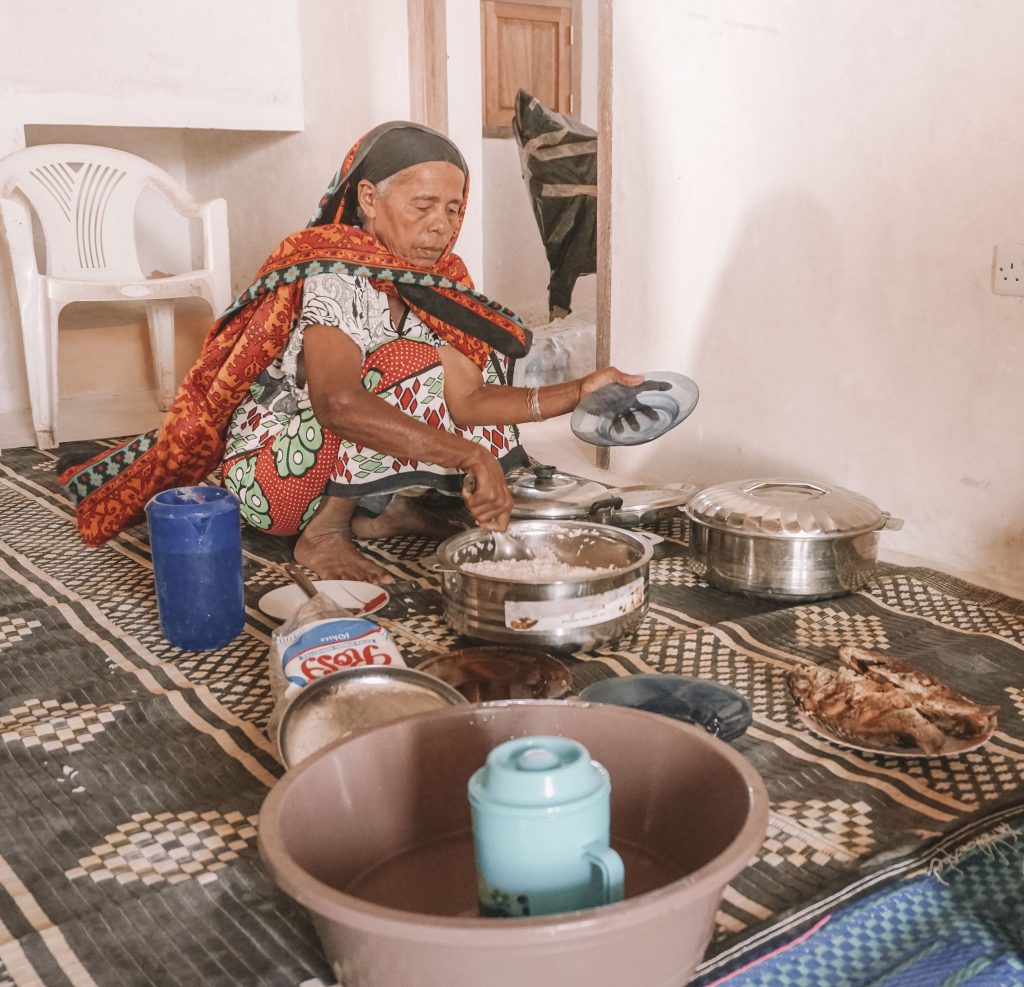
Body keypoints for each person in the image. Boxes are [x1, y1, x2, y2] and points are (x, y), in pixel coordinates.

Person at [57, 122, 643, 582]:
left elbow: (466, 400)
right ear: (368, 197)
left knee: (472, 352)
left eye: (454, 208)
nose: (442, 225)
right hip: (273, 474)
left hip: (327, 461)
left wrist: (579, 392)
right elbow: (336, 402)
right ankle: (325, 531)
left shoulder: (443, 281)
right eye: (424, 205)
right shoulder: (334, 271)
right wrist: (470, 458)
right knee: (400, 365)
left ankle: (379, 513)